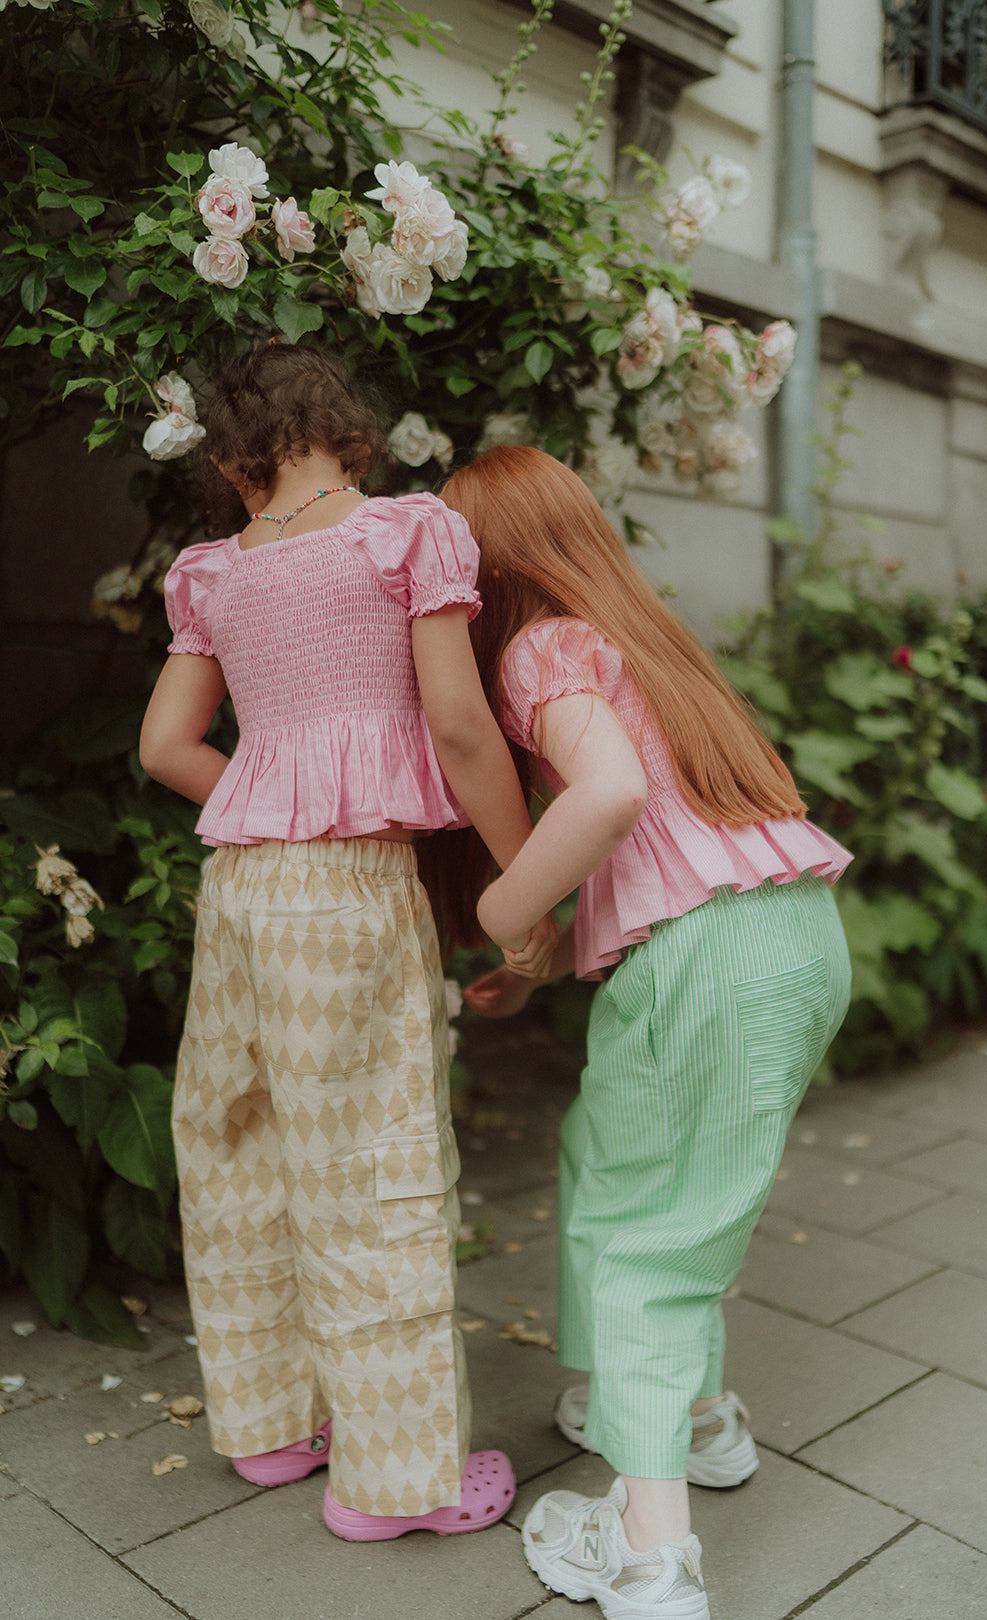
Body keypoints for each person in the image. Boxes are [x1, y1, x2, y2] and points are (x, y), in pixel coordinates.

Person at [139, 345, 554, 1543]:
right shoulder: (401, 537)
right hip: (349, 894)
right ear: (347, 430)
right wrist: (524, 889)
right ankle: (399, 1480)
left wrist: (275, 796)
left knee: (237, 1141)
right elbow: (462, 730)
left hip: (240, 892)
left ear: (232, 460)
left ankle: (271, 1425)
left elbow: (166, 748)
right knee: (373, 1162)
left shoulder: (214, 573)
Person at [439, 446, 853, 1620]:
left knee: (642, 1237)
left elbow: (611, 796)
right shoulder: (646, 642)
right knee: (649, 1175)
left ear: (488, 569)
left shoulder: (538, 648)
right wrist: (544, 961)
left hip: (704, 961)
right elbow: (663, 831)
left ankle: (648, 1550)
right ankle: (695, 1419)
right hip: (794, 938)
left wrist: (505, 914)